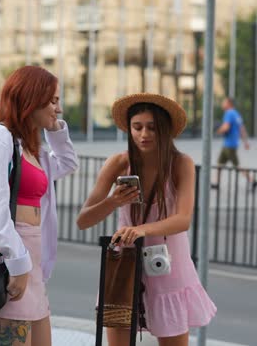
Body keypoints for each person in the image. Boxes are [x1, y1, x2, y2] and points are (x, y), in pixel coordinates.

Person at [77, 92, 216, 346]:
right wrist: (114, 201)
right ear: (128, 128)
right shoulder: (118, 163)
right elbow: (83, 220)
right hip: (124, 263)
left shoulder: (180, 164)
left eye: (152, 127)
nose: (144, 134)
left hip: (169, 263)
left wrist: (141, 229)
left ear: (164, 129)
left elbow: (183, 219)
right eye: (137, 127)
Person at [0, 65, 78, 346]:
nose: (59, 108)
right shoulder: (0, 138)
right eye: (53, 100)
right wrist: (17, 264)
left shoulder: (31, 148)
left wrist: (56, 130)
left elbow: (67, 163)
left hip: (33, 263)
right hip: (11, 260)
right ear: (32, 97)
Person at [216, 97, 250, 167]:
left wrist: (219, 131)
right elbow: (242, 129)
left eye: (224, 102)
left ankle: (249, 178)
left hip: (229, 144)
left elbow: (226, 127)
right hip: (232, 143)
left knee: (237, 166)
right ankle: (216, 178)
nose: (222, 104)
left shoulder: (229, 113)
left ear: (229, 104)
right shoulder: (236, 114)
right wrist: (246, 142)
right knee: (220, 164)